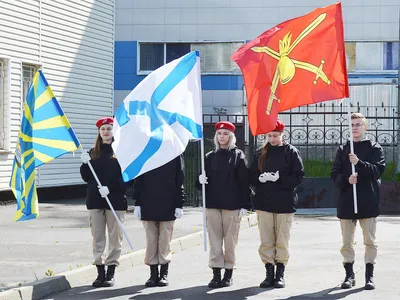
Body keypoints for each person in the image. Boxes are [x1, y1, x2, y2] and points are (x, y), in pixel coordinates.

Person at [331, 112, 385, 290]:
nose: (354, 127)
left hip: (368, 200)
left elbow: (377, 170)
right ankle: (349, 275)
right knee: (347, 242)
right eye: (352, 124)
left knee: (370, 240)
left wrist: (359, 162)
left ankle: (369, 276)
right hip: (347, 201)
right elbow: (334, 174)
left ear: (365, 127)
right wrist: (347, 180)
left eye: (358, 124)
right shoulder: (343, 148)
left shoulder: (374, 148)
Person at [249, 120, 304, 289]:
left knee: (282, 240)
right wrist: (258, 179)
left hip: (284, 203)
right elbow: (250, 175)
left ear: (282, 135)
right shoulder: (260, 153)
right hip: (264, 202)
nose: (272, 139)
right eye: (269, 136)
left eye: (275, 136)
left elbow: (298, 177)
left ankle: (280, 274)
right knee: (266, 240)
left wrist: (279, 179)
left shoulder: (291, 152)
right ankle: (269, 273)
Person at [196, 121, 251, 288]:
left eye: (226, 134)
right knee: (214, 240)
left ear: (231, 136)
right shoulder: (209, 156)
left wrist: (245, 205)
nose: (222, 137)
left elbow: (244, 182)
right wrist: (200, 181)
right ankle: (216, 273)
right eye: (220, 134)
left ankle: (228, 272)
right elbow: (200, 183)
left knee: (230, 241)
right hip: (213, 204)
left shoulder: (238, 156)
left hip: (232, 205)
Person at [80, 117, 131, 288]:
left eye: (109, 129)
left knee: (115, 237)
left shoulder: (121, 152)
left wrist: (111, 188)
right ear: (99, 132)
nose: (105, 132)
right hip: (95, 200)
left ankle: (111, 272)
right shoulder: (92, 153)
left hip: (115, 201)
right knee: (98, 237)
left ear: (114, 131)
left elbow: (126, 178)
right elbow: (87, 177)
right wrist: (84, 164)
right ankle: (99, 271)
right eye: (103, 129)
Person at [132, 155, 185, 287]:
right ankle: (153, 274)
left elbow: (180, 179)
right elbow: (139, 179)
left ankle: (164, 273)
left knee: (165, 240)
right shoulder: (146, 151)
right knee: (151, 240)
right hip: (148, 202)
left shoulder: (174, 153)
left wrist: (179, 203)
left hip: (168, 202)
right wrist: (137, 203)